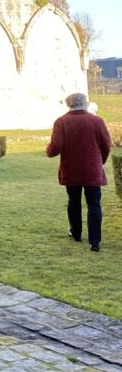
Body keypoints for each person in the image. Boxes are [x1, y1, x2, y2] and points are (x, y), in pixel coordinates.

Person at [46, 92, 111, 252]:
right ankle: (94, 241)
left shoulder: (61, 122)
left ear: (69, 104)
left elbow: (55, 147)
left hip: (71, 167)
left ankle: (76, 233)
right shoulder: (97, 121)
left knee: (73, 201)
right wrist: (99, 161)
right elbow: (106, 145)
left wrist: (47, 150)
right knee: (94, 203)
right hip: (92, 168)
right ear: (85, 103)